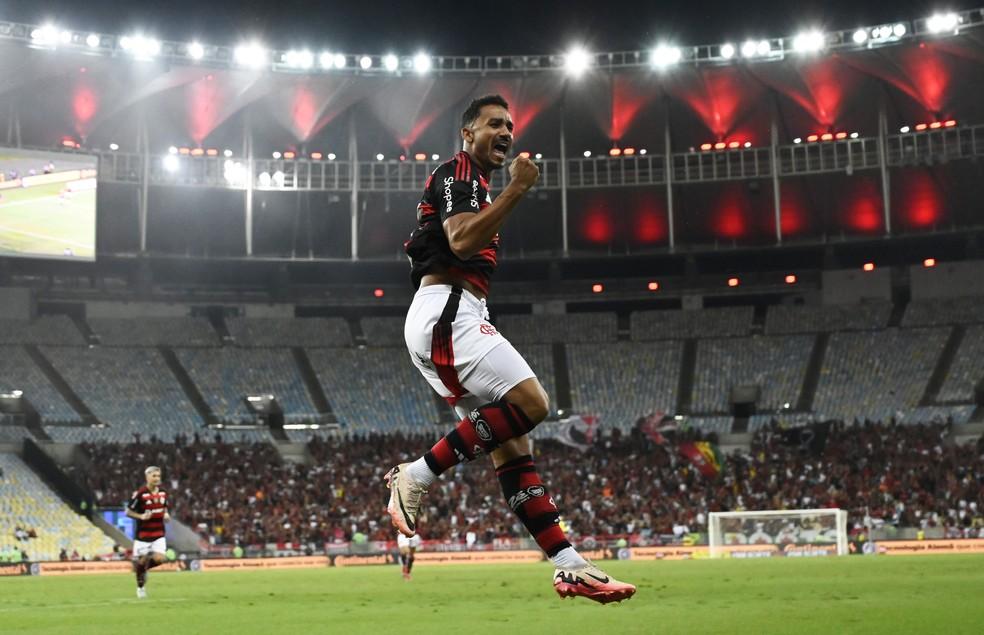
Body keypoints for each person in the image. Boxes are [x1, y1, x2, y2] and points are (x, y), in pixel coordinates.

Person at [387, 94, 635, 604]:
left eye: (510, 126)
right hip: (447, 310)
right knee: (532, 404)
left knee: (514, 450)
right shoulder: (458, 172)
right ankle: (415, 475)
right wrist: (518, 190)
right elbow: (460, 241)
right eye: (494, 124)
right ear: (467, 133)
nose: (505, 132)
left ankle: (569, 566)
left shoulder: (475, 185)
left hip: (451, 314)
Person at [125, 465, 170, 599]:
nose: (157, 478)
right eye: (154, 476)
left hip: (159, 534)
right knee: (141, 562)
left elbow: (164, 508)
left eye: (158, 476)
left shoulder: (163, 493)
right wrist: (141, 516)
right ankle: (140, 588)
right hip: (143, 536)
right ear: (147, 477)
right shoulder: (140, 494)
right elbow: (128, 512)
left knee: (160, 559)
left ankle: (143, 570)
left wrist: (166, 515)